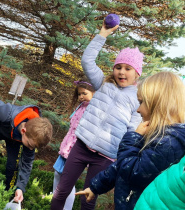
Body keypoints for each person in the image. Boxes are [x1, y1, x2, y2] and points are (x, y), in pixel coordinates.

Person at [51, 21, 143, 209]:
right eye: (119, 67)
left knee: (88, 201)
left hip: (105, 156)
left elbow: (133, 131)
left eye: (128, 68)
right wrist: (103, 34)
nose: (122, 72)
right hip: (81, 145)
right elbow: (87, 61)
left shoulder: (138, 99)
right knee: (61, 192)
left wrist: (123, 155)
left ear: (137, 74)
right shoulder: (103, 83)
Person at [75, 72, 185, 209]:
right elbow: (121, 166)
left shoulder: (169, 143)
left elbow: (132, 172)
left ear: (157, 104)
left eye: (141, 102)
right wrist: (95, 187)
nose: (138, 110)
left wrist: (133, 138)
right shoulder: (157, 135)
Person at [53, 78, 95, 210]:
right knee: (57, 175)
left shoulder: (92, 110)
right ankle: (56, 202)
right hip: (66, 148)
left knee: (67, 183)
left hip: (75, 150)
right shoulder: (80, 107)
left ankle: (66, 208)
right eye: (79, 94)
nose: (81, 96)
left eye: (85, 93)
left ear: (94, 93)